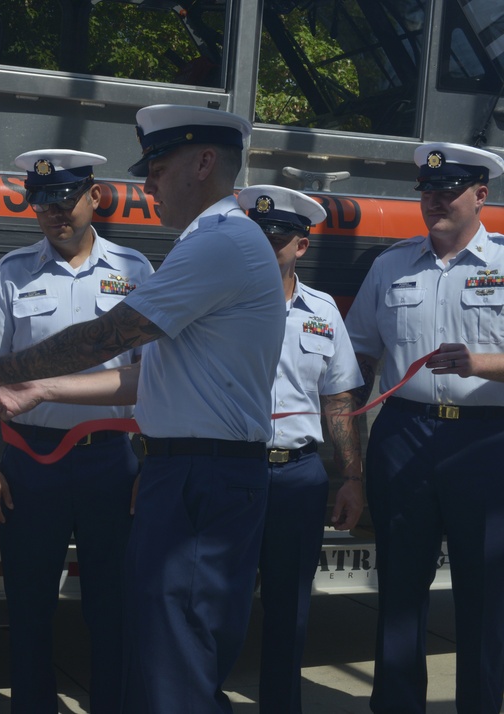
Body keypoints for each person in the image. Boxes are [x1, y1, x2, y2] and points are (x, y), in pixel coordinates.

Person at [0, 104, 287, 711]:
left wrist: (1, 370)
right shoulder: (210, 243)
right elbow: (141, 381)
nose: (149, 183)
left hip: (196, 478)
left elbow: (112, 336)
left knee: (175, 658)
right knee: (164, 650)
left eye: (158, 165)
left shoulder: (216, 244)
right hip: (179, 472)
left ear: (204, 162)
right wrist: (42, 390)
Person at [0, 149, 153, 714]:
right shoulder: (12, 272)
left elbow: (158, 377)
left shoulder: (136, 272)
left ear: (94, 197)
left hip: (110, 463)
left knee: (112, 605)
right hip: (31, 461)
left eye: (64, 199)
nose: (53, 212)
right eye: (41, 202)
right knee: (28, 605)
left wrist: (153, 465)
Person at [345, 141, 504, 714]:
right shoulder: (391, 265)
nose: (433, 200)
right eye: (427, 191)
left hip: (485, 441)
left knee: (485, 596)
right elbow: (358, 357)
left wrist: (483, 364)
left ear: (480, 195)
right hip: (404, 436)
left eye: (448, 190)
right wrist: (347, 456)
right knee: (401, 591)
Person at [237, 185, 364, 712]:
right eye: (258, 236)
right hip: (232, 474)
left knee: (290, 612)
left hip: (298, 477)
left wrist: (352, 476)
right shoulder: (220, 301)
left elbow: (338, 396)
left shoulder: (323, 310)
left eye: (280, 238)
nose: (268, 247)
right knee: (217, 606)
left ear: (301, 246)